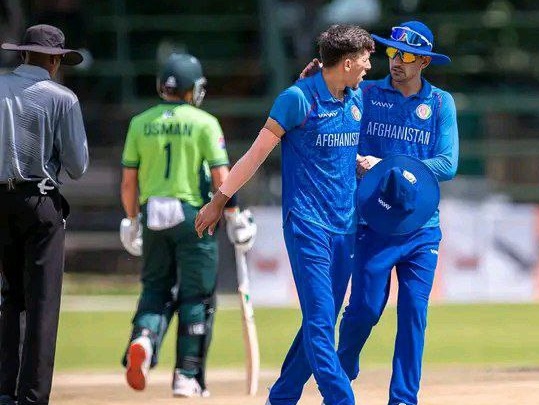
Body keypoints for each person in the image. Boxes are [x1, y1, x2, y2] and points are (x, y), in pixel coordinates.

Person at [195, 24, 374, 405]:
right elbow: (255, 156)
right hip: (308, 224)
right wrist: (219, 200)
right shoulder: (296, 99)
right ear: (346, 63)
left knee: (320, 322)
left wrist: (359, 162)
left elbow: (336, 153)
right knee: (321, 324)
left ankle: (281, 399)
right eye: (364, 59)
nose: (368, 67)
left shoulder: (356, 97)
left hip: (346, 226)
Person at [298, 20, 458, 405]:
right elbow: (326, 110)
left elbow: (448, 163)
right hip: (373, 222)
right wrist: (311, 82)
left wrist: (388, 165)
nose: (396, 61)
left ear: (424, 62)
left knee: (414, 314)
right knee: (365, 309)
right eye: (391, 52)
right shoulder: (365, 92)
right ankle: (340, 374)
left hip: (421, 228)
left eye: (406, 56)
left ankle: (403, 398)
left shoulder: (440, 103)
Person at [119, 53, 254, 397]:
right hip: (193, 215)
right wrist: (234, 216)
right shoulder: (204, 122)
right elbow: (222, 175)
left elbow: (128, 183)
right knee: (197, 295)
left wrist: (132, 220)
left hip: (153, 214)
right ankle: (187, 374)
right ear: (192, 88)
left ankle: (144, 338)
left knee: (155, 289)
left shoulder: (140, 122)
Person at [0, 24, 88, 405]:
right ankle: (32, 397)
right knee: (42, 302)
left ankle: (4, 390)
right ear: (54, 61)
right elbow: (77, 165)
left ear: (22, 53)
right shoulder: (62, 98)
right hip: (39, 200)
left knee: (8, 297)